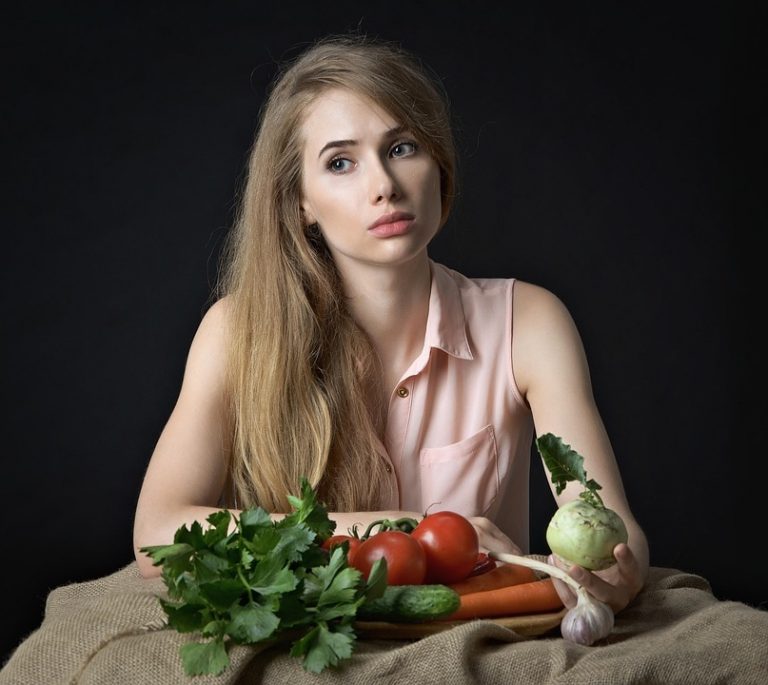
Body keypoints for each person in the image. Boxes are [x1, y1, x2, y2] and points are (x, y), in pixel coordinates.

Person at [132, 33, 648, 615]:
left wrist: (615, 567)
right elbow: (158, 537)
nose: (384, 186)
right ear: (299, 201)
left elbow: (605, 519)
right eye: (341, 162)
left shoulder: (528, 322)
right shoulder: (234, 334)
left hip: (488, 640)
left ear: (437, 163)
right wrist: (408, 528)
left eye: (402, 148)